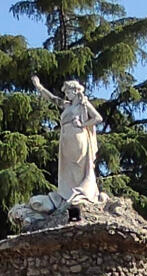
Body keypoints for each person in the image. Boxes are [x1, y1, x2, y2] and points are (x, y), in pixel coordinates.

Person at [30, 75, 104, 206]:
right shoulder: (67, 105)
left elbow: (98, 118)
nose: (67, 95)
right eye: (66, 93)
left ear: (76, 91)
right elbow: (53, 99)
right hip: (66, 139)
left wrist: (83, 124)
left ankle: (81, 193)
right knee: (68, 168)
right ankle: (69, 195)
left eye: (69, 92)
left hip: (78, 137)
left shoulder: (83, 105)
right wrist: (39, 87)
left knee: (78, 166)